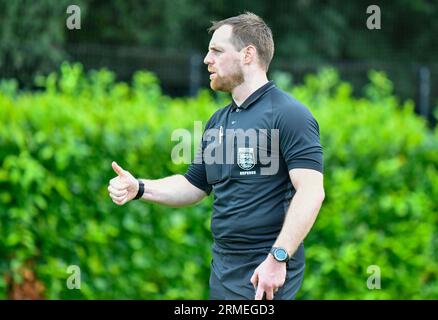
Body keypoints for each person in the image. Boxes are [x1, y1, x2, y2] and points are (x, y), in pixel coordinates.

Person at [108, 12, 325, 300]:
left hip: (266, 270)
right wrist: (141, 188)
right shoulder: (218, 121)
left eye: (216, 51)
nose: (206, 60)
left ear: (247, 54)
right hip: (223, 267)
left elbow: (311, 192)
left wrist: (278, 258)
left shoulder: (289, 114)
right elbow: (194, 185)